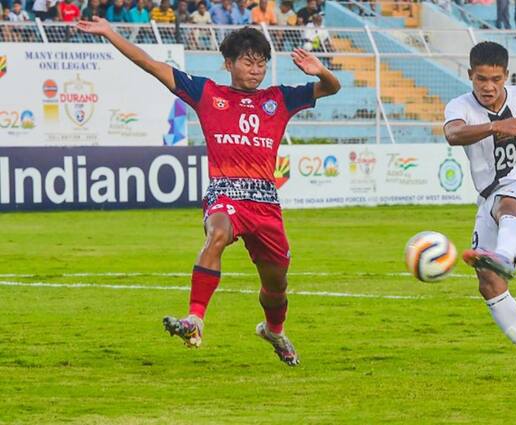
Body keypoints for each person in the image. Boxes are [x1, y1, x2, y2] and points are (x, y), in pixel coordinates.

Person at [77, 18, 340, 366]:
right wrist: (111, 33)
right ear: (229, 63)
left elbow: (332, 88)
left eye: (261, 62)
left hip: (265, 204)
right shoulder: (207, 94)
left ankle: (273, 330)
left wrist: (320, 70)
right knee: (216, 235)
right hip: (225, 193)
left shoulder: (279, 99)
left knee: (276, 285)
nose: (256, 69)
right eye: (248, 61)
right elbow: (150, 65)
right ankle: (195, 319)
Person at [443, 41, 516, 382]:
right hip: (489, 199)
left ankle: (506, 255)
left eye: (495, 79)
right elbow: (453, 134)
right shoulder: (459, 106)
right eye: (481, 78)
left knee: (508, 204)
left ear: (506, 76)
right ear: (470, 75)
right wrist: (495, 126)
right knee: (489, 283)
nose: (488, 86)